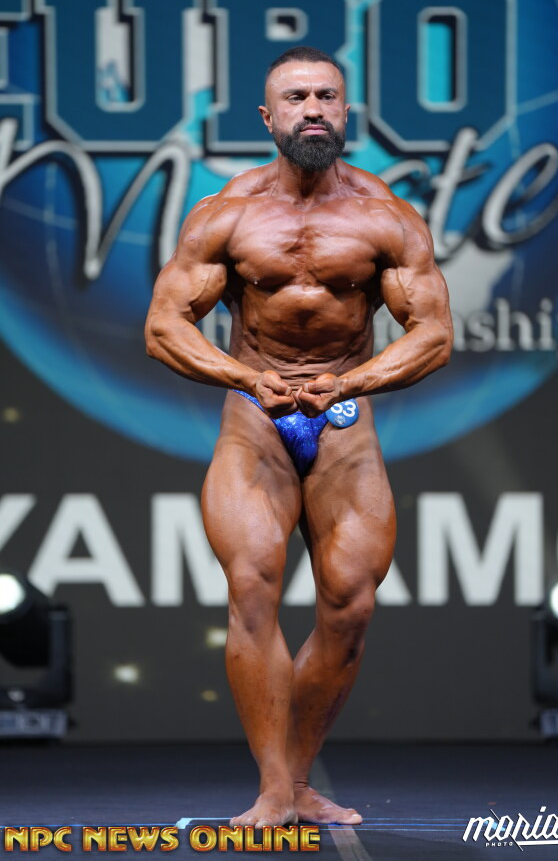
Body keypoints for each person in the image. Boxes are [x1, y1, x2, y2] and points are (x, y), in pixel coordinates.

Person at [145, 45, 453, 828]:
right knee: (252, 586)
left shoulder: (387, 217)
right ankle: (275, 789)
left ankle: (299, 777)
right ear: (268, 117)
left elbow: (434, 336)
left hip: (344, 420)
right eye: (296, 97)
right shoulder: (227, 214)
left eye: (325, 96)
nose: (312, 109)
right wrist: (246, 378)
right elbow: (163, 326)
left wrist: (351, 383)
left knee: (350, 607)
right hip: (256, 418)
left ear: (346, 112)